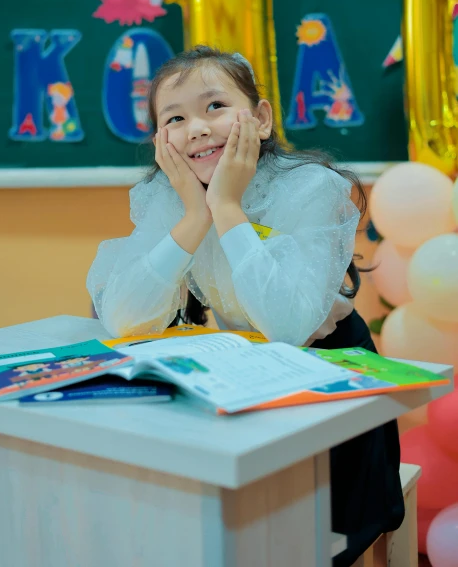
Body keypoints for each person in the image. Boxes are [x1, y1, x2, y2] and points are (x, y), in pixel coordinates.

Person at [87, 46, 404, 565]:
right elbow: (122, 316)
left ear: (259, 118)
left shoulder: (310, 187)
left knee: (318, 537)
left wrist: (227, 208)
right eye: (176, 118)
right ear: (161, 140)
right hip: (244, 369)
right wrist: (194, 215)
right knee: (227, 527)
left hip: (326, 374)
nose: (197, 128)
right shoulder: (165, 196)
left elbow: (287, 324)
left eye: (215, 106)